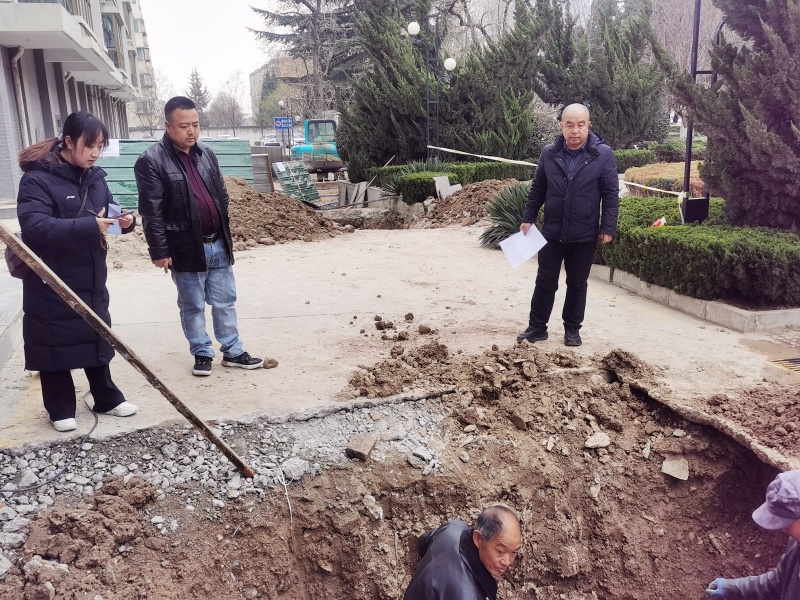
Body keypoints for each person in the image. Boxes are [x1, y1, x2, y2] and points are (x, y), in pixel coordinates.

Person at [16, 111, 139, 432]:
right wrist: (90, 225)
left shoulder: (95, 178)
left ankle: (106, 398)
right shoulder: (37, 179)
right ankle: (59, 407)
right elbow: (36, 226)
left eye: (100, 146)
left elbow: (108, 213)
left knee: (96, 334)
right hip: (50, 277)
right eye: (90, 145)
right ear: (69, 142)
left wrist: (124, 222)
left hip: (91, 273)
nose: (95, 153)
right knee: (53, 340)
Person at [135, 96, 263, 376]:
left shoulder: (206, 153)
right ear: (168, 126)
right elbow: (151, 211)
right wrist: (159, 250)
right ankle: (202, 352)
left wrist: (223, 227)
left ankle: (233, 351)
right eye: (184, 126)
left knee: (225, 301)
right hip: (185, 246)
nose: (191, 131)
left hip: (217, 242)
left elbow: (221, 194)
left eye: (195, 124)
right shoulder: (151, 161)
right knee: (192, 304)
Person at [517, 103, 619, 347]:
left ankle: (572, 329)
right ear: (562, 126)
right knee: (545, 281)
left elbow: (610, 193)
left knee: (577, 283)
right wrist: (528, 218)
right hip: (552, 232)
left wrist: (608, 227)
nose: (575, 130)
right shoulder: (549, 153)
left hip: (583, 234)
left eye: (580, 125)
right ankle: (537, 327)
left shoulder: (603, 154)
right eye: (570, 125)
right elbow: (538, 189)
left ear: (589, 125)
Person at [706, 470, 800, 598]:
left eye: (788, 523)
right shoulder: (796, 543)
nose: (783, 528)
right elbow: (779, 581)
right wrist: (730, 587)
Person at [403, 505, 522, 600]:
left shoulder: (454, 527)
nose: (507, 562)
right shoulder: (468, 595)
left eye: (514, 552)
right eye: (500, 551)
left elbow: (423, 542)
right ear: (478, 539)